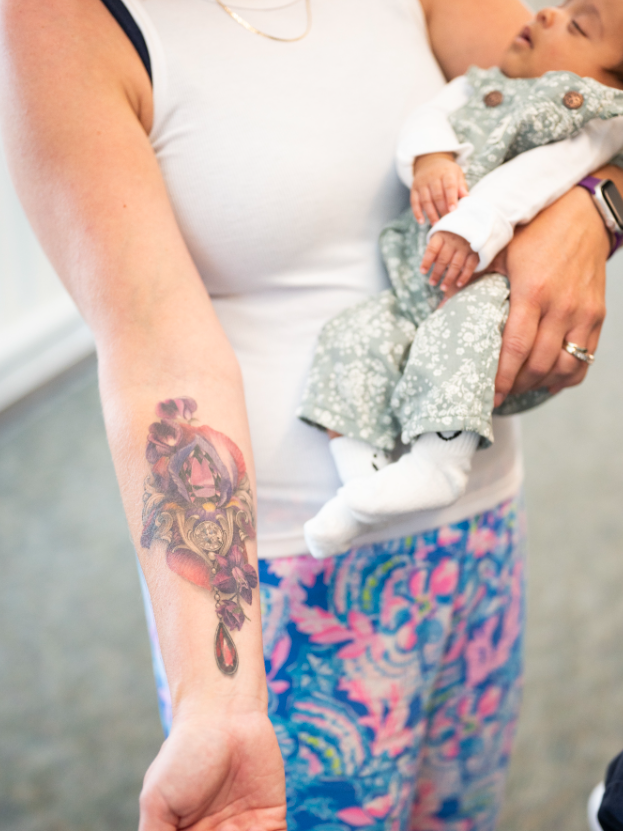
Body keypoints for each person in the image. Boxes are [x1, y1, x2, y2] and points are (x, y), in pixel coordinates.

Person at [0, 0, 620, 829]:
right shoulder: (61, 23)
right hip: (286, 584)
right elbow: (158, 361)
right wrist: (220, 705)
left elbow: (589, 82)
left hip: (475, 524)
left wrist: (595, 204)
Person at [299, 1, 623, 558]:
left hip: (485, 278)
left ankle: (438, 462)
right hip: (412, 279)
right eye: (560, 6)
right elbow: (429, 114)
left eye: (576, 25)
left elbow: (536, 177)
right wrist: (430, 157)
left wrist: (475, 226)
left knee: (464, 335)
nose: (545, 14)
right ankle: (362, 480)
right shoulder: (482, 83)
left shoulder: (591, 122)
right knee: (354, 335)